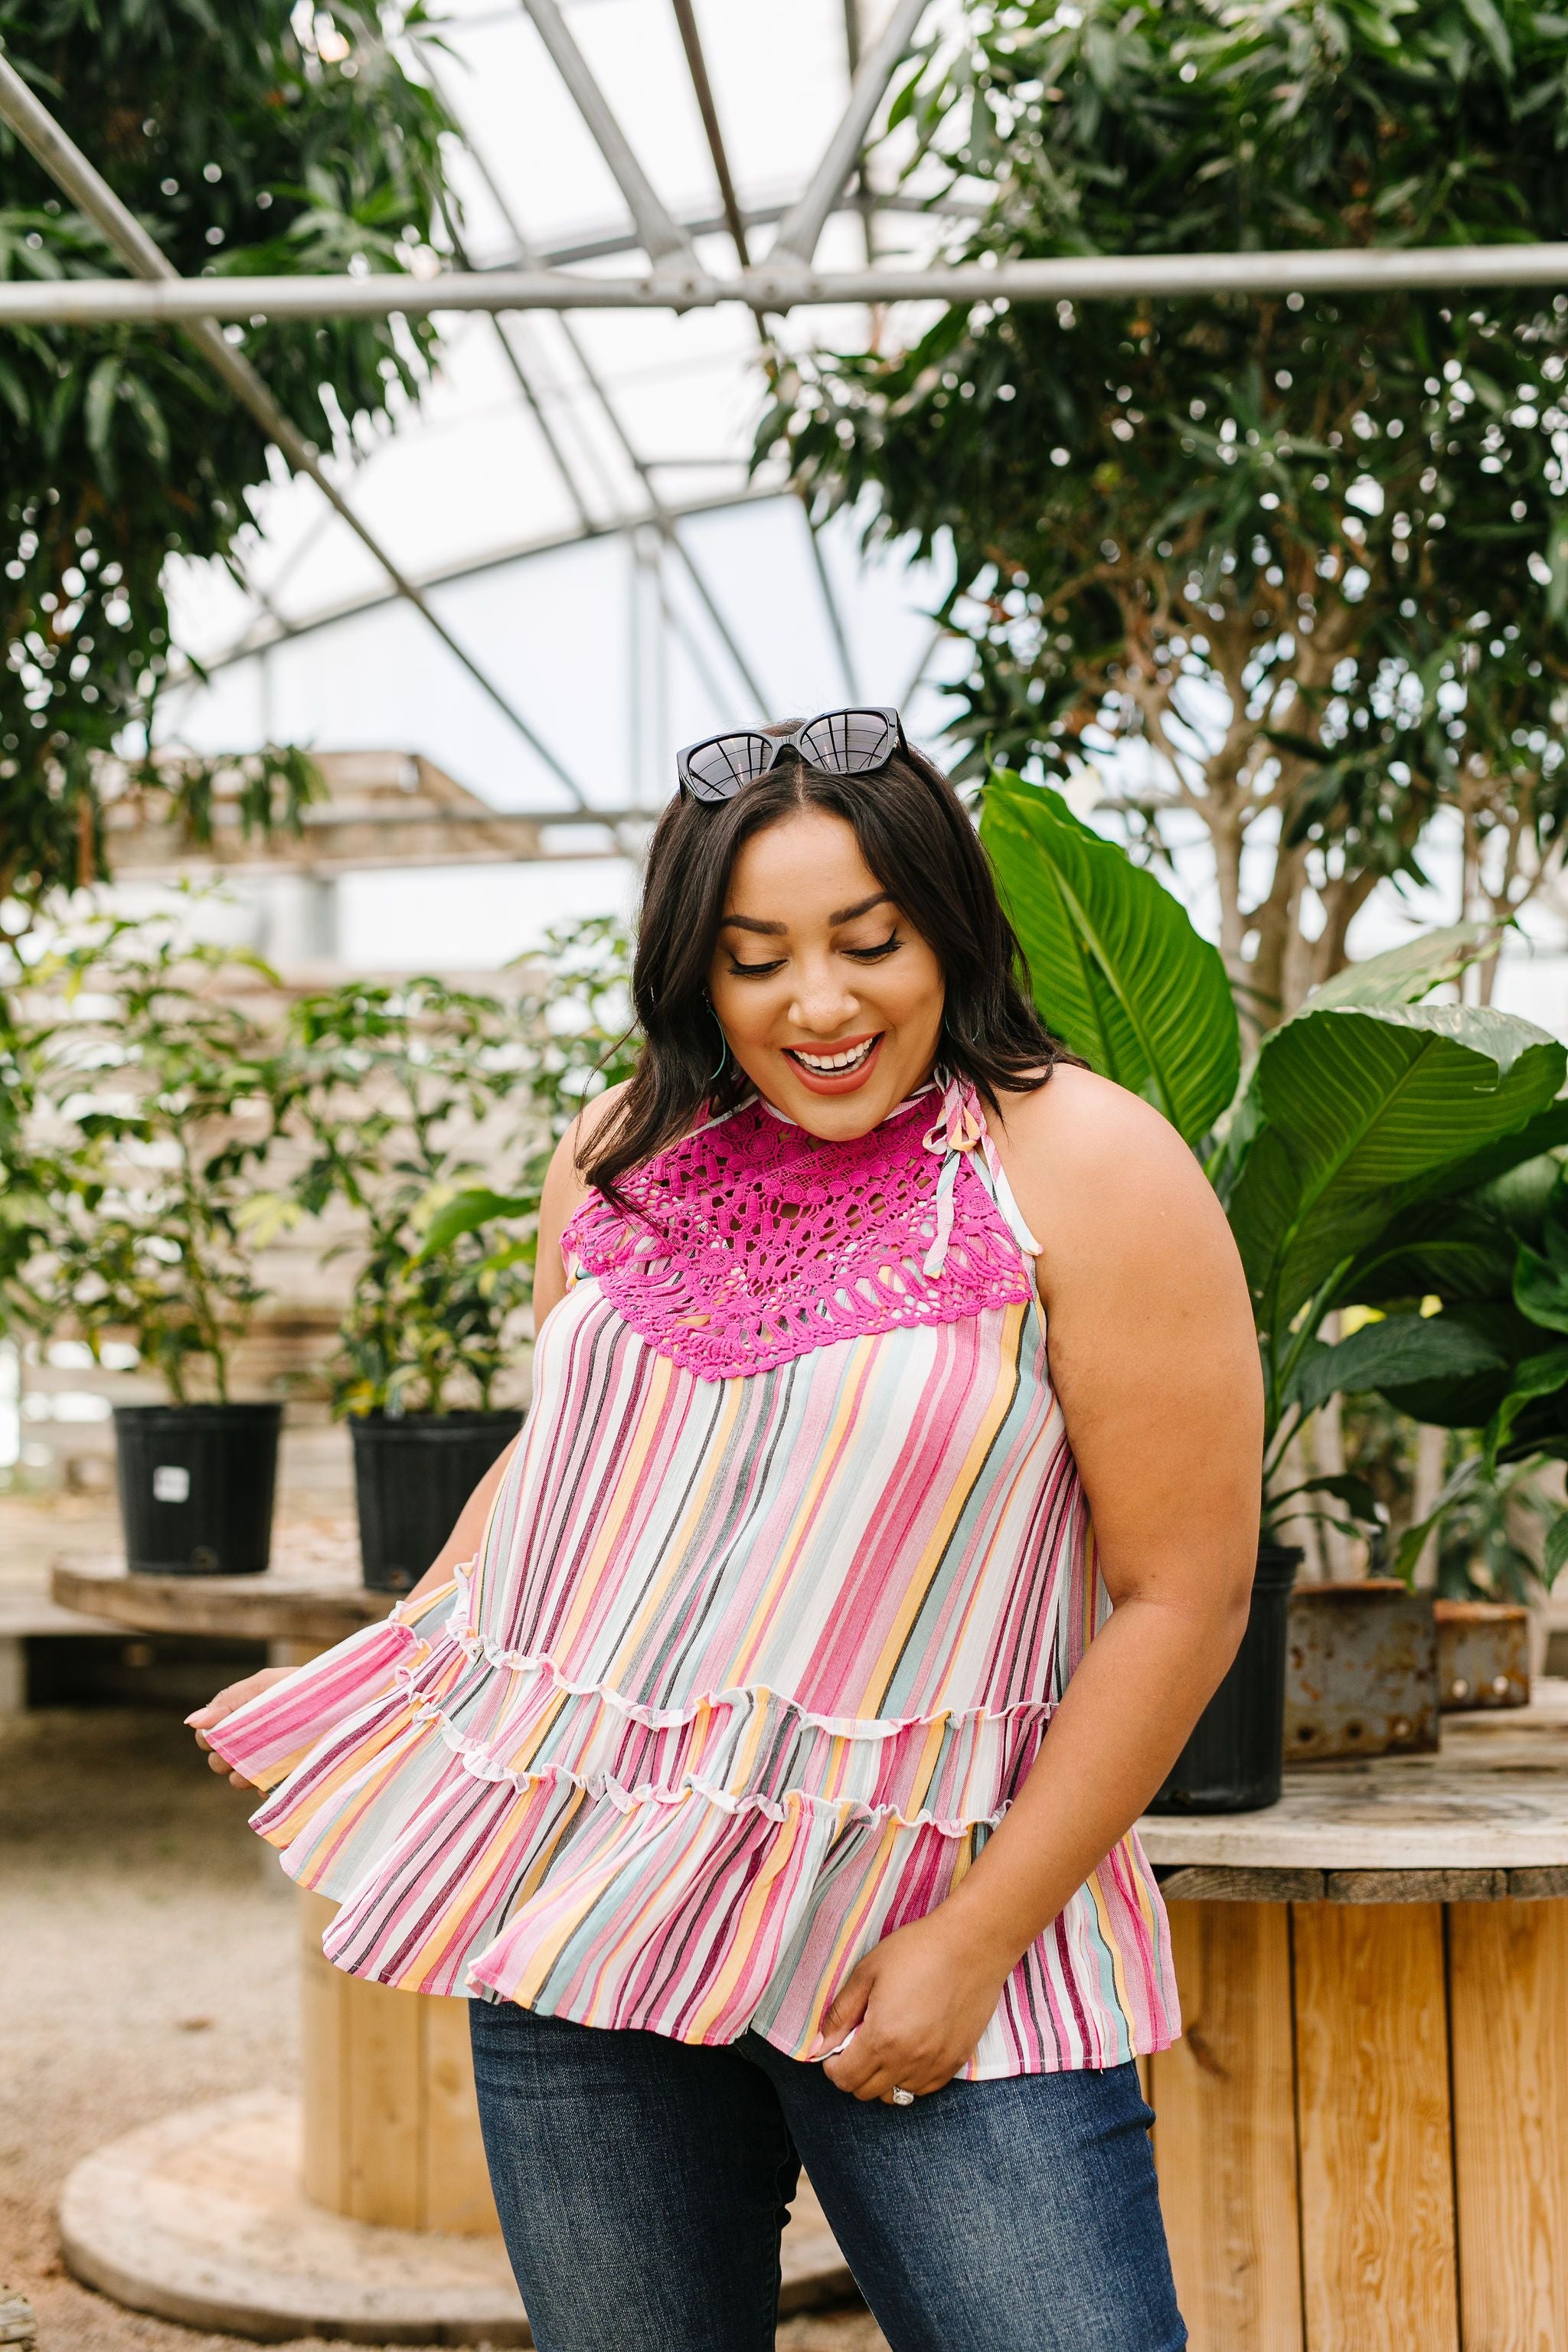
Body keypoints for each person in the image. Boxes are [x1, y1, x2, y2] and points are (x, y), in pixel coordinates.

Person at [191, 708, 1261, 2352]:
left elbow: (1180, 1595)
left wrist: (972, 1945)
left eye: (867, 942)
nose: (817, 1005)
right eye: (754, 958)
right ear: (694, 969)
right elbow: (557, 1470)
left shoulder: (1091, 1165)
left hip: (924, 1932)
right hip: (586, 1931)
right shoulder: (622, 1152)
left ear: (947, 931)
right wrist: (397, 1720)